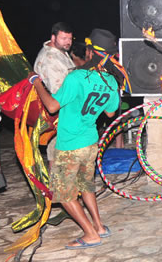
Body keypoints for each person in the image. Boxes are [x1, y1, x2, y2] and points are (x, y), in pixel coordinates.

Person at [28, 30, 121, 249]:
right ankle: (98, 226)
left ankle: (90, 234)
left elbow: (52, 107)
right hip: (90, 141)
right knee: (85, 185)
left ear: (90, 52)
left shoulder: (77, 77)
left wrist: (36, 82)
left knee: (64, 194)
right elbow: (109, 114)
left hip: (70, 144)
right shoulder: (111, 81)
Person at [34, 22, 76, 168]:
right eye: (64, 38)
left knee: (57, 151)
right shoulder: (50, 59)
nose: (68, 42)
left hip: (64, 111)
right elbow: (58, 93)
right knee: (57, 153)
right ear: (53, 37)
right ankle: (55, 189)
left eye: (70, 39)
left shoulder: (60, 52)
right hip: (58, 112)